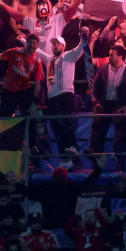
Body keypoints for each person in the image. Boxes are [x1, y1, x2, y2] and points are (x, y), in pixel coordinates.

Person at [36, 27, 90, 156]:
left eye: (57, 44)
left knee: (62, 122)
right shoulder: (49, 59)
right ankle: (65, 158)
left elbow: (80, 48)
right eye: (53, 44)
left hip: (65, 94)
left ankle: (73, 146)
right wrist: (23, 40)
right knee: (55, 127)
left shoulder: (68, 56)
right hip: (52, 97)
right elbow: (37, 51)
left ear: (63, 46)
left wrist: (84, 35)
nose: (54, 46)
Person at [88, 46, 126, 156]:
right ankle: (93, 150)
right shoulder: (103, 69)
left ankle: (119, 155)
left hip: (119, 103)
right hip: (105, 103)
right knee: (97, 122)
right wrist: (96, 103)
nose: (109, 57)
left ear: (119, 57)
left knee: (120, 124)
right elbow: (95, 87)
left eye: (111, 55)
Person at [0, 34, 45, 118]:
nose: (31, 45)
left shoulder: (37, 61)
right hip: (8, 90)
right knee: (4, 118)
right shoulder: (16, 51)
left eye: (34, 43)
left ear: (37, 45)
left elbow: (37, 82)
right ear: (26, 42)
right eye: (30, 42)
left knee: (27, 117)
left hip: (23, 91)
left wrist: (35, 100)